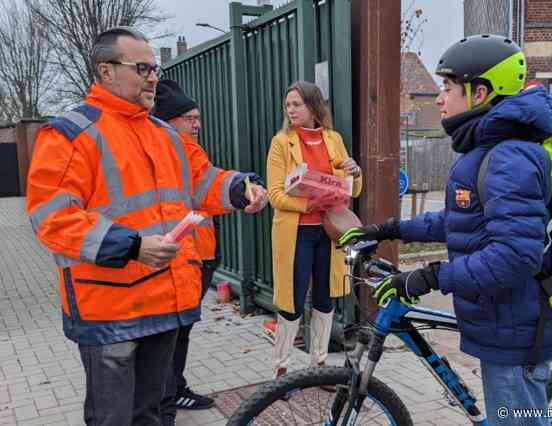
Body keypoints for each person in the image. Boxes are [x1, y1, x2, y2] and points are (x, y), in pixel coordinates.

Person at [26, 27, 268, 426]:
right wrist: (134, 246)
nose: (153, 76)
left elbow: (202, 181)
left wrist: (242, 188)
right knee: (114, 419)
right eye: (142, 68)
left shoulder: (163, 135)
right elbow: (52, 218)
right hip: (109, 310)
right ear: (105, 71)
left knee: (153, 416)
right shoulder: (71, 135)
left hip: (165, 300)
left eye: (154, 68)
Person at [339, 35, 552, 425]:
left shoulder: (508, 156)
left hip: (513, 333)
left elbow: (515, 256)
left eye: (447, 88)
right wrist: (389, 229)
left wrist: (430, 277)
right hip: (501, 322)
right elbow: (459, 220)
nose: (440, 99)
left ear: (479, 93)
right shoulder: (488, 151)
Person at [267, 80, 363, 378]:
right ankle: (281, 369)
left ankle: (318, 365)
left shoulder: (333, 139)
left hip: (329, 231)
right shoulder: (282, 142)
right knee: (292, 302)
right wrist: (307, 204)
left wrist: (355, 172)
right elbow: (275, 195)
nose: (290, 110)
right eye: (288, 105)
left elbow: (351, 191)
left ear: (313, 107)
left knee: (325, 297)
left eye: (297, 104)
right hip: (296, 232)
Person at [153, 80, 221, 422]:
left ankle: (174, 388)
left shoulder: (189, 148)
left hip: (199, 255)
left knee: (181, 331)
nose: (197, 124)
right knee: (173, 333)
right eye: (189, 118)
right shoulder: (174, 149)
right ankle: (169, 395)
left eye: (198, 118)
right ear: (168, 120)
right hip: (182, 258)